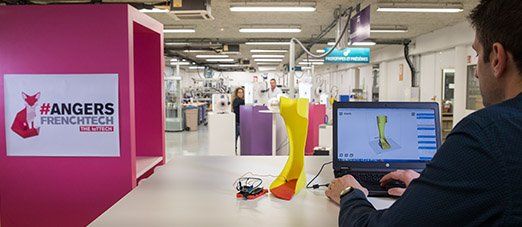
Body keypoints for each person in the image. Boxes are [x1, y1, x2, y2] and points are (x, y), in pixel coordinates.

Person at [325, 0, 522, 226]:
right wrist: (434, 188)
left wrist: (349, 193)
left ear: (497, 58)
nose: (476, 73)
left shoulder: (486, 136)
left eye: (477, 55)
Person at [232, 87, 245, 154]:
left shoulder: (241, 100)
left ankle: (235, 150)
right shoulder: (237, 100)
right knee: (237, 136)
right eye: (239, 92)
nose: (241, 94)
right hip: (238, 122)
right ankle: (235, 150)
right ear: (237, 93)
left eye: (242, 92)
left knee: (237, 137)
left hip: (239, 121)